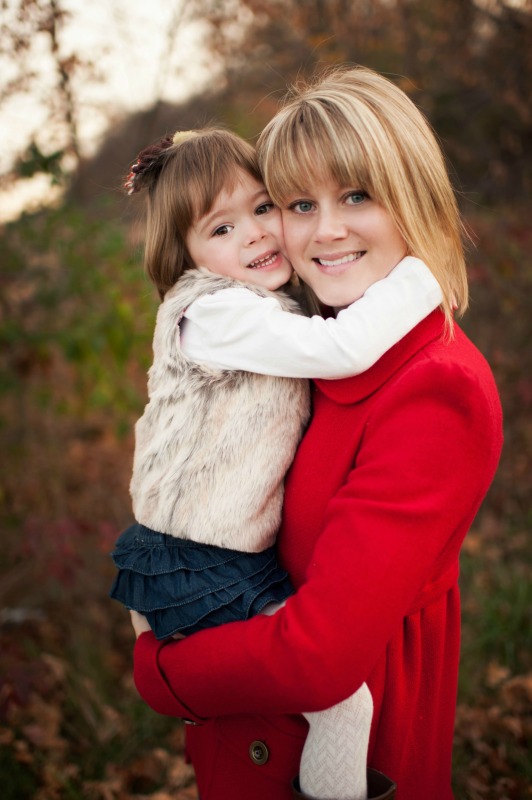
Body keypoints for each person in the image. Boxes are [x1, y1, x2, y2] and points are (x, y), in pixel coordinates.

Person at [130, 69, 504, 800]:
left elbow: (321, 660)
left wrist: (163, 672)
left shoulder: (434, 387)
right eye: (300, 203)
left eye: (356, 195)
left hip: (344, 752)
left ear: (413, 197)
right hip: (255, 730)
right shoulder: (303, 336)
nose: (324, 229)